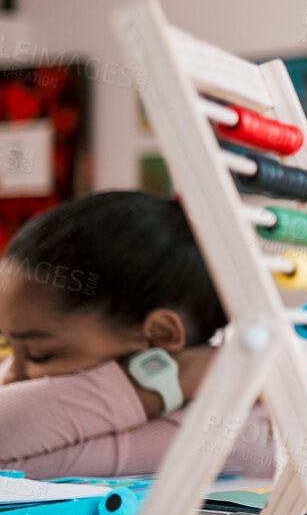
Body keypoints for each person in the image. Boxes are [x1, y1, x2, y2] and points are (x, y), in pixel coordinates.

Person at [0, 192, 274, 478]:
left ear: (160, 335)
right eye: (8, 345)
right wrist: (174, 381)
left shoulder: (232, 430)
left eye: (39, 354)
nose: (10, 377)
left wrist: (150, 385)